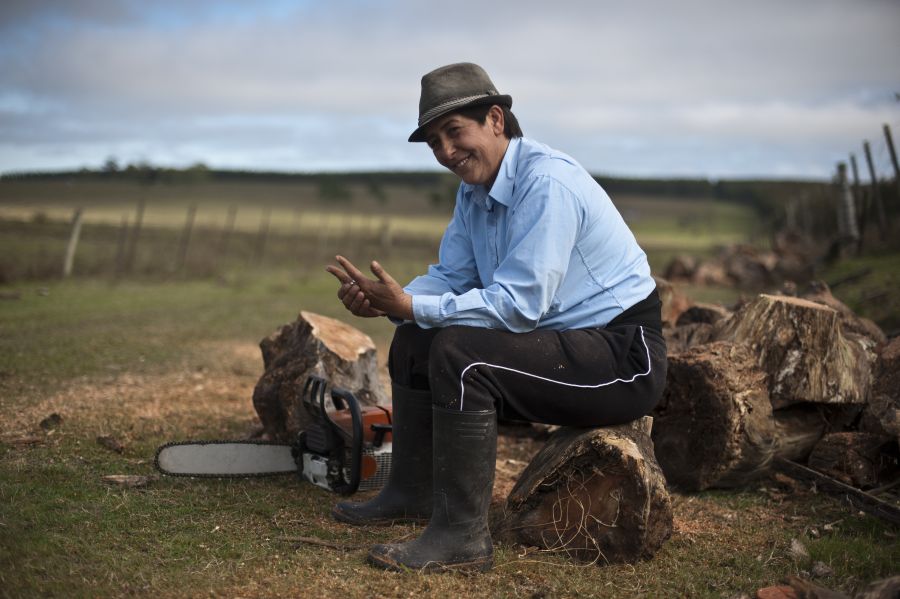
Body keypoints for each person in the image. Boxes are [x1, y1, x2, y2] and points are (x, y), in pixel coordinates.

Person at [325, 62, 667, 573]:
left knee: (459, 353)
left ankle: (462, 539)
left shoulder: (547, 183)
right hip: (565, 343)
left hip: (623, 357)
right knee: (416, 339)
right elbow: (452, 276)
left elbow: (519, 306)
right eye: (434, 142)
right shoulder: (474, 192)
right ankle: (414, 492)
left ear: (495, 120)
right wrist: (392, 300)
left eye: (454, 132)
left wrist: (412, 306)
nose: (446, 151)